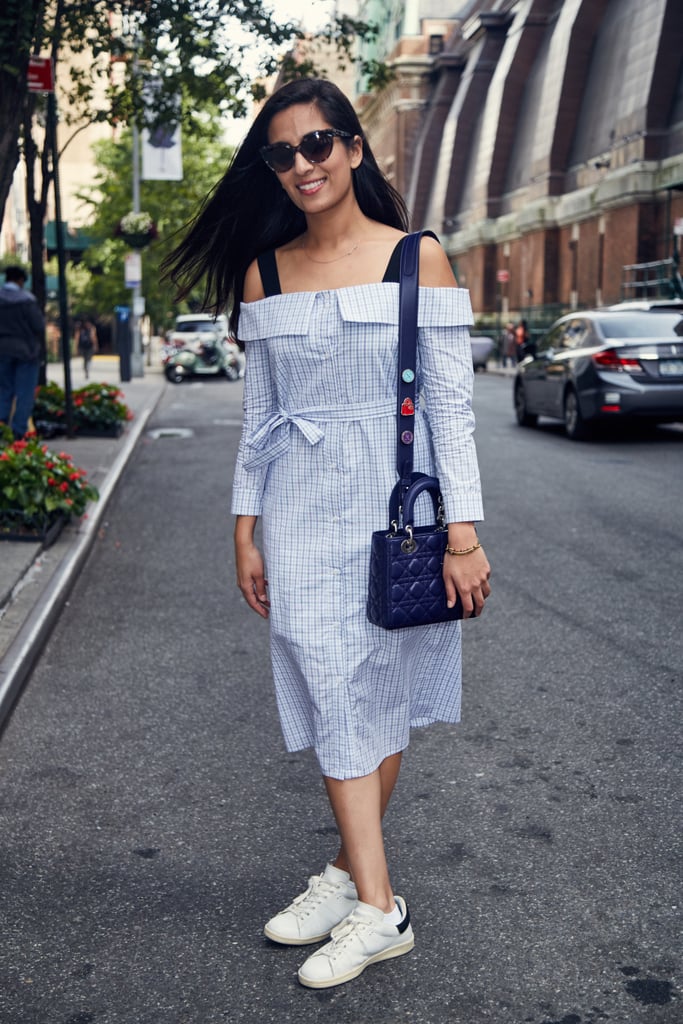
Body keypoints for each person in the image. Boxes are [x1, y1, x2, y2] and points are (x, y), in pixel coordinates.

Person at [162, 78, 491, 990]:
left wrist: (462, 536)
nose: (301, 165)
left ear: (351, 149)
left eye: (317, 146)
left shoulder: (414, 259)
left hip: (398, 511)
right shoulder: (263, 273)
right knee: (328, 682)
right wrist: (244, 528)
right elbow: (260, 417)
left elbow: (452, 414)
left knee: (370, 695)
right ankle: (366, 889)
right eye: (282, 153)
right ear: (270, 169)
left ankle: (369, 896)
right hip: (300, 509)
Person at [0, 265, 45, 438]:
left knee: (4, 389)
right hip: (26, 352)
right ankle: (18, 432)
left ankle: (1, 427)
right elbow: (38, 325)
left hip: (2, 350)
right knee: (25, 393)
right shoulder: (26, 300)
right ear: (20, 281)